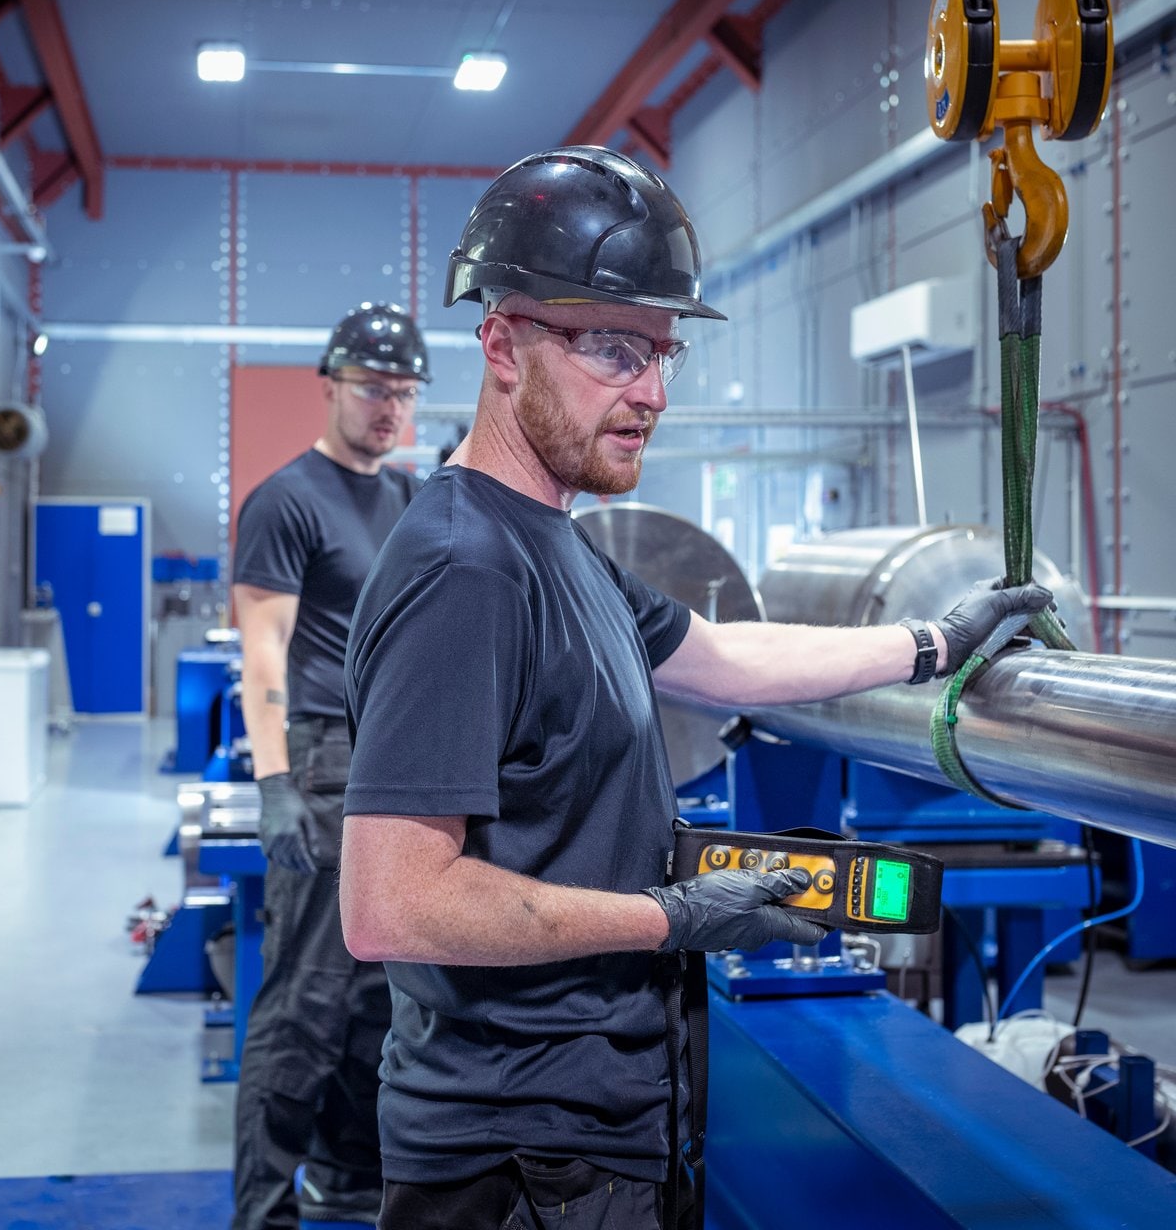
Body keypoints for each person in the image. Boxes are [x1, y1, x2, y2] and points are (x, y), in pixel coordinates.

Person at [338, 147, 1053, 1230]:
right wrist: (668, 916)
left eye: (662, 353)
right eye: (614, 349)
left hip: (594, 1129)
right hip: (513, 1158)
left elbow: (723, 661)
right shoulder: (465, 566)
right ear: (500, 343)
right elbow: (393, 902)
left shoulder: (557, 547)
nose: (652, 393)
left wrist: (931, 643)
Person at [230, 302, 431, 1229]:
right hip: (318, 757)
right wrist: (275, 785)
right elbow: (263, 654)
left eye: (402, 391)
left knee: (373, 989)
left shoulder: (401, 497)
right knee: (304, 1002)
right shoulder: (286, 499)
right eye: (372, 388)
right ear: (332, 385)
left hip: (391, 757)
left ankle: (347, 1174)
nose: (388, 407)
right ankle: (264, 1210)